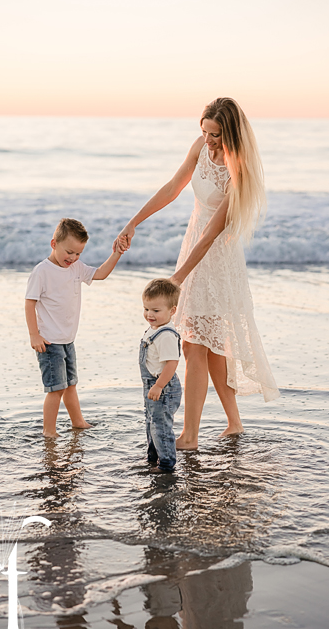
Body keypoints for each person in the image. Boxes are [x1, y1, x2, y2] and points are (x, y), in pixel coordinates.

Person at [115, 98, 280, 450]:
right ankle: (234, 423)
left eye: (216, 134)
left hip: (215, 259)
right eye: (204, 131)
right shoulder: (201, 146)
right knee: (212, 347)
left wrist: (176, 279)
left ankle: (190, 436)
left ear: (232, 133)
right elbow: (174, 187)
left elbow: (210, 237)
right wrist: (134, 222)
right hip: (193, 247)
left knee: (192, 345)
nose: (208, 140)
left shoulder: (239, 171)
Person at [25, 218, 122, 437]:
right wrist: (34, 335)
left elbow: (100, 273)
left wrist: (117, 253)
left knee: (70, 385)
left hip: (68, 340)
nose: (73, 258)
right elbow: (29, 302)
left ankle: (78, 422)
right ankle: (49, 431)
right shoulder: (42, 271)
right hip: (49, 341)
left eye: (78, 254)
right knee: (56, 388)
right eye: (69, 252)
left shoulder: (76, 268)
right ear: (54, 244)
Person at [140, 278, 183, 473]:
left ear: (172, 311)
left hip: (163, 386)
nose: (149, 314)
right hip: (153, 385)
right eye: (146, 309)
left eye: (156, 311)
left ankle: (166, 464)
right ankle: (153, 457)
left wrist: (158, 385)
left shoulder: (166, 334)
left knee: (161, 425)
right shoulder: (154, 329)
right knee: (151, 421)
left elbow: (172, 363)